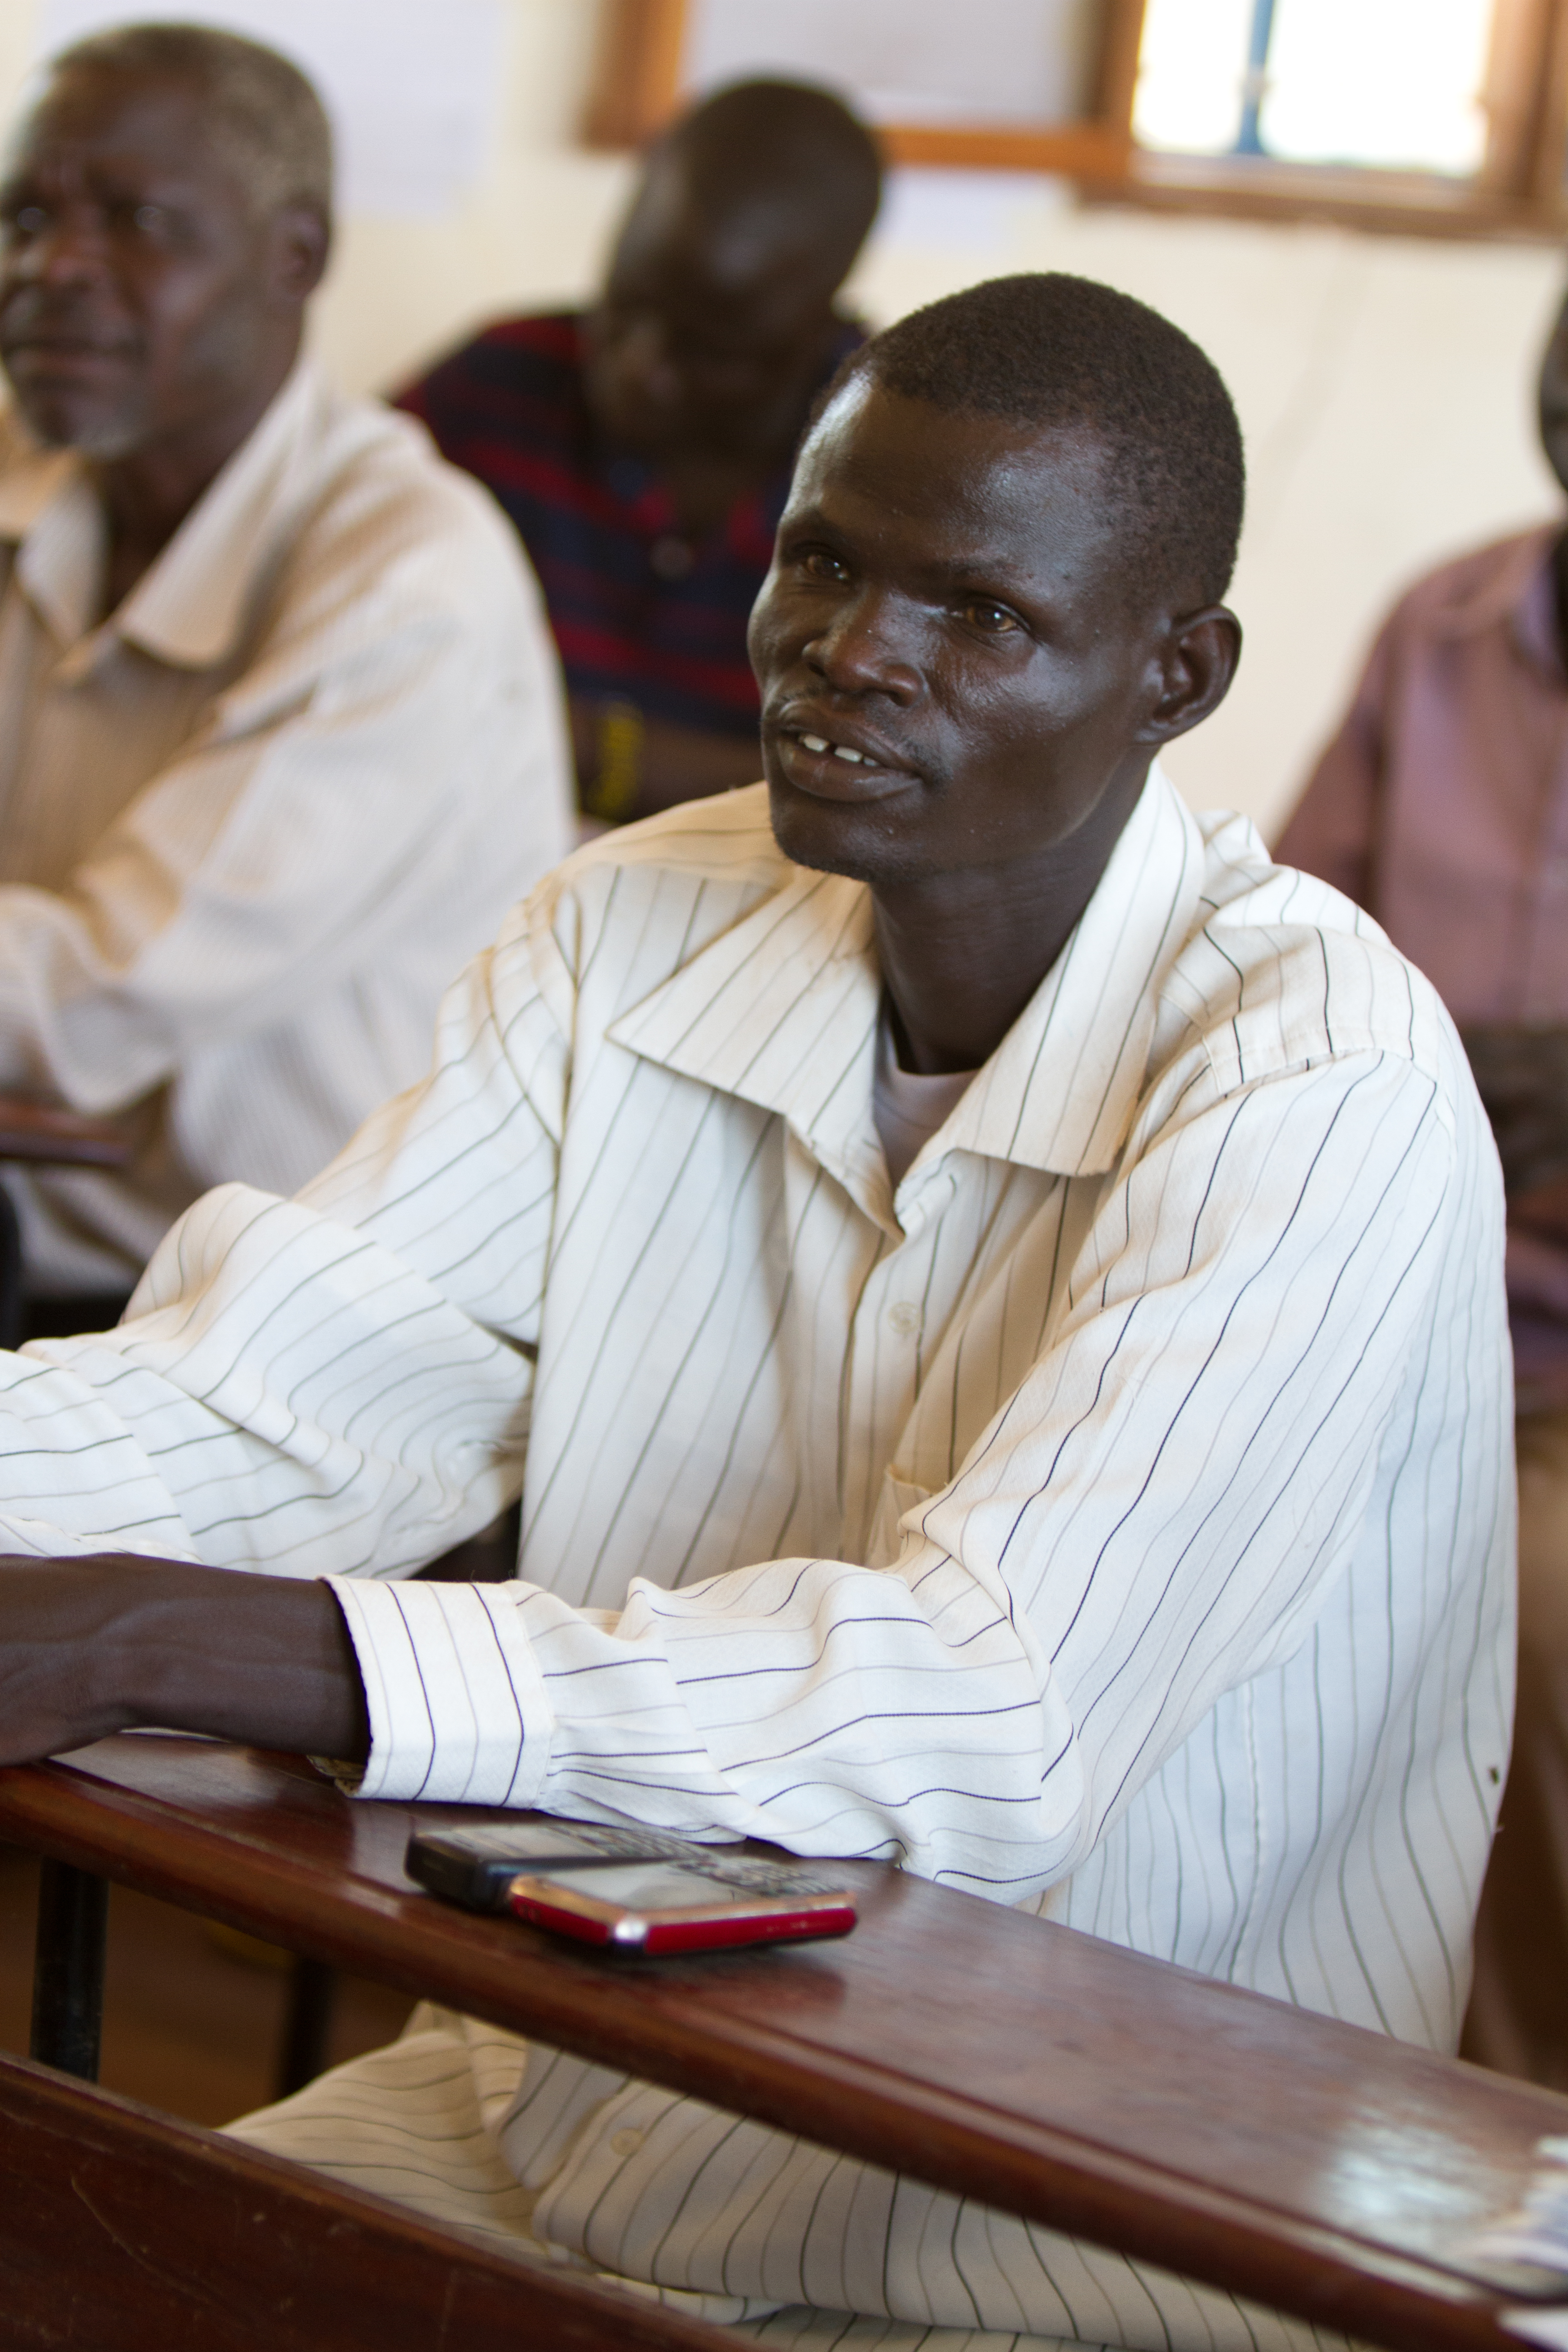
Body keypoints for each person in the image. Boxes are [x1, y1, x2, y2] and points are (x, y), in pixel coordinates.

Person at [0, 275, 1510, 2352]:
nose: (845, 654)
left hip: (1098, 2251)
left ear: (1175, 673)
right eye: (820, 558)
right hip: (592, 2113)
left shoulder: (1310, 1071)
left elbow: (981, 1719)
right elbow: (276, 1399)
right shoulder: (632, 918)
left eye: (971, 612)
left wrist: (166, 1633)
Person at [0, 22, 574, 1327]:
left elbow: (101, 984)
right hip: (41, 1216)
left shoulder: (409, 575)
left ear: (295, 258)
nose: (52, 267)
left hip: (264, 1306)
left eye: (137, 220)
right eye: (24, 215)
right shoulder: (29, 468)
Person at [1275, 280, 1568, 2091]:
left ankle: (1516, 2158)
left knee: (1527, 1608)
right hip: (1407, 1307)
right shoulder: (1443, 631)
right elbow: (1296, 963)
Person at [396, 79, 880, 825]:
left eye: (705, 350)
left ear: (820, 330)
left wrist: (593, 752)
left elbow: (885, 784)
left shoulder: (899, 468)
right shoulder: (497, 386)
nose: (638, 368)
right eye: (623, 309)